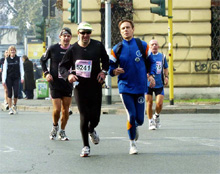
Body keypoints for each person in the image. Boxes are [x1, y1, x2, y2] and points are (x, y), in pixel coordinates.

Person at [59, 22, 109, 157]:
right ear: (78, 33)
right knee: (84, 115)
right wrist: (68, 75)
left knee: (95, 118)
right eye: (82, 33)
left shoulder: (97, 45)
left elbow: (106, 60)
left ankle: (91, 129)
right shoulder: (73, 49)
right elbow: (62, 67)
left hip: (95, 85)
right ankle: (85, 146)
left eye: (88, 32)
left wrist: (103, 71)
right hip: (80, 87)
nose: (85, 35)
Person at [109, 19, 156, 155]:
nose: (125, 30)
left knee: (140, 119)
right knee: (131, 114)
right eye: (123, 28)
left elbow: (151, 62)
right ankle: (132, 144)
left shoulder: (142, 46)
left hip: (140, 86)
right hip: (125, 87)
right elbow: (110, 67)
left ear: (133, 29)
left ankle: (135, 126)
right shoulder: (117, 49)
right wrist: (113, 71)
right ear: (120, 31)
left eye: (128, 27)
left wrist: (151, 75)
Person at [40, 27, 73, 141]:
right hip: (55, 82)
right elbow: (42, 60)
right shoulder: (53, 48)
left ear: (71, 38)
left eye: (68, 36)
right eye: (64, 36)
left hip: (67, 83)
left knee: (66, 109)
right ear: (60, 37)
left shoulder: (73, 49)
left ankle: (62, 131)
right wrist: (46, 73)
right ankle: (55, 126)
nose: (66, 38)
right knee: (57, 109)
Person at [145, 40, 169, 130]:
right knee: (149, 103)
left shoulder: (162, 56)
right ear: (149, 47)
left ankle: (156, 116)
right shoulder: (147, 57)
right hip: (148, 84)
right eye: (152, 44)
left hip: (159, 84)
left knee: (159, 103)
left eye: (156, 44)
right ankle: (150, 121)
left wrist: (166, 77)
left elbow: (165, 67)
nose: (154, 46)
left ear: (158, 46)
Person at [2, 46, 24, 115]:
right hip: (9, 78)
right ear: (9, 51)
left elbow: (21, 69)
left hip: (16, 77)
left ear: (15, 51)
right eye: (11, 50)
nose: (12, 52)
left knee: (16, 92)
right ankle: (10, 108)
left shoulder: (18, 59)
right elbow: (4, 70)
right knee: (9, 93)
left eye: (13, 50)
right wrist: (3, 80)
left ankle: (14, 104)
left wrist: (22, 77)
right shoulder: (7, 60)